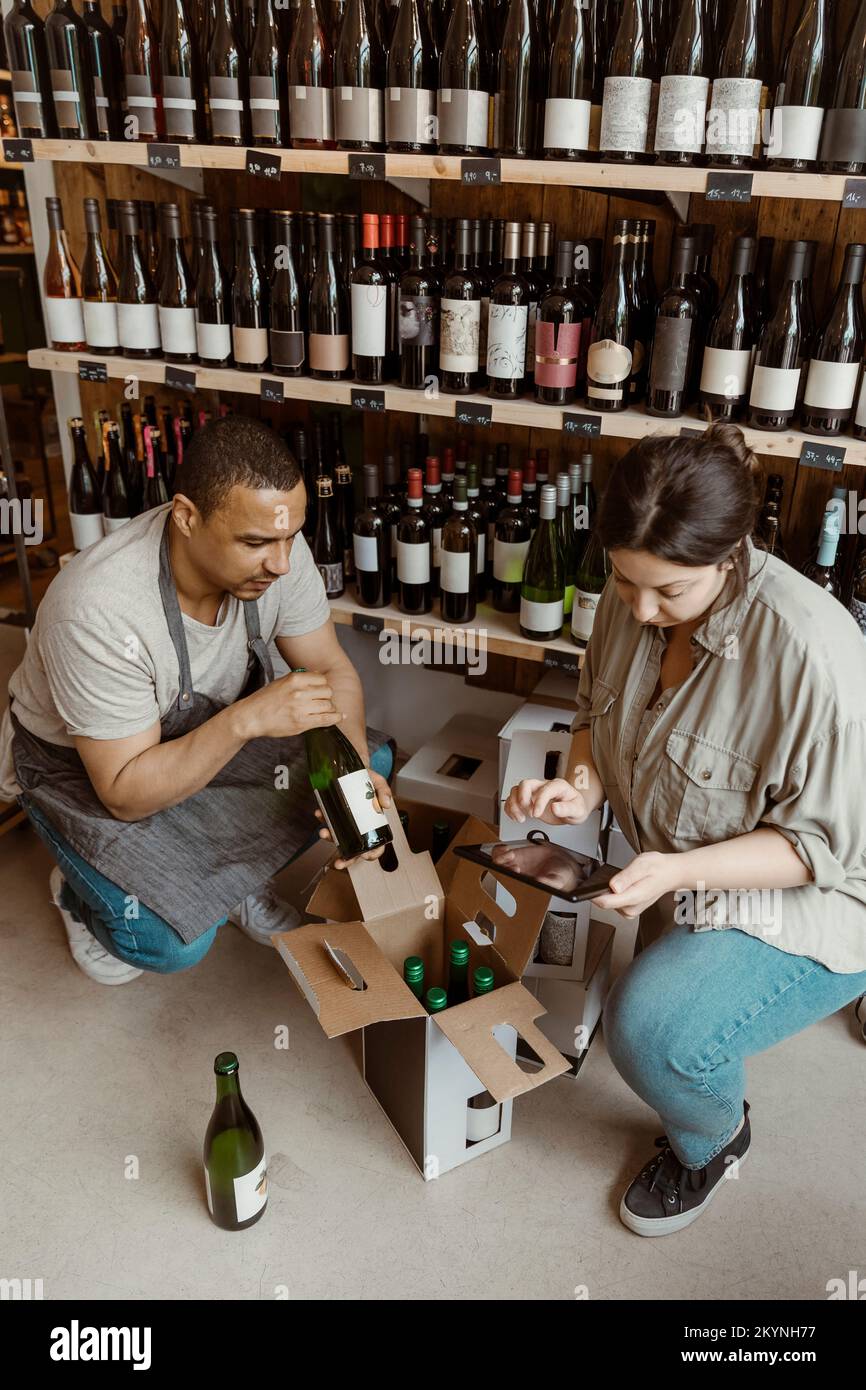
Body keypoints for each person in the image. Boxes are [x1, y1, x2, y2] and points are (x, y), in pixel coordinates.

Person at [505, 422, 866, 1237]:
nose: (639, 608)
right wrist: (577, 788)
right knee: (662, 1001)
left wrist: (673, 872)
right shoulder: (633, 592)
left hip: (830, 889)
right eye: (627, 581)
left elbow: (819, 849)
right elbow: (594, 715)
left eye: (668, 592)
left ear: (731, 556)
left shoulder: (814, 654)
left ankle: (714, 1139)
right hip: (693, 865)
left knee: (652, 1030)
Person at [0, 416, 394, 984]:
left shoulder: (279, 545)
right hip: (87, 769)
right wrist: (246, 720)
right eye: (256, 543)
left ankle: (221, 880)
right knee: (167, 944)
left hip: (202, 731)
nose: (282, 564)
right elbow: (126, 794)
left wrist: (352, 777)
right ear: (186, 517)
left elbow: (330, 667)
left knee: (368, 766)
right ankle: (81, 893)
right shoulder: (98, 610)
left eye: (289, 538)